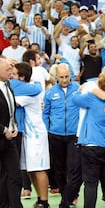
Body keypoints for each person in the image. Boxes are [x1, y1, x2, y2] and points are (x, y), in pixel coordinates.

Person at [72, 72, 105, 208]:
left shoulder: (91, 97)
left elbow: (75, 99)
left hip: (91, 147)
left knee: (90, 184)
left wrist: (80, 89)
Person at [42, 64, 81, 208]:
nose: (64, 80)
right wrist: (47, 129)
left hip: (73, 135)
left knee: (73, 168)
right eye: (61, 77)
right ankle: (66, 196)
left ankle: (70, 196)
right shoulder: (50, 93)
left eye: (67, 76)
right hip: (55, 135)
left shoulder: (78, 89)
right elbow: (45, 113)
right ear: (56, 77)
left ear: (70, 74)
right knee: (59, 169)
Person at [11, 62, 49, 208]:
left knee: (39, 169)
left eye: (14, 74)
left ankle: (44, 201)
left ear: (21, 77)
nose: (11, 77)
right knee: (30, 170)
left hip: (36, 135)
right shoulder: (31, 87)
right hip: (27, 134)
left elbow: (12, 102)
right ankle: (40, 198)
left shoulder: (29, 93)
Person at [0, 58, 23, 208]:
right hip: (2, 136)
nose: (11, 73)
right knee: (1, 179)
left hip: (10, 140)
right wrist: (3, 130)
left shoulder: (8, 85)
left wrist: (13, 124)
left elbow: (9, 109)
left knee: (15, 177)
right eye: (8, 70)